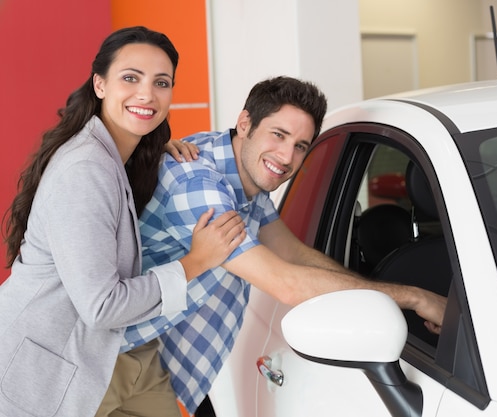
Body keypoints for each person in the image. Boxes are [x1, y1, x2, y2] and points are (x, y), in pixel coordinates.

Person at [120, 76, 447, 415]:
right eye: (279, 135)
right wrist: (415, 298)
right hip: (118, 361)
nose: (287, 157)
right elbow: (288, 284)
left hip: (165, 366)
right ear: (245, 123)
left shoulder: (245, 175)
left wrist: (372, 290)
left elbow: (294, 253)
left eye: (301, 145)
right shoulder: (198, 185)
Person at [0, 26, 245, 417]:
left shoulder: (116, 154)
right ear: (100, 84)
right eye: (131, 78)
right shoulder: (85, 169)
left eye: (161, 82)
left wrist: (154, 147)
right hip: (39, 370)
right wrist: (196, 262)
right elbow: (102, 306)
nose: (147, 94)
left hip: (107, 358)